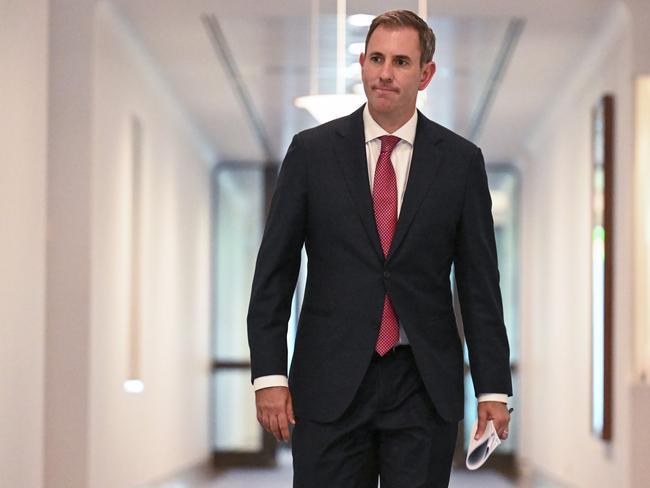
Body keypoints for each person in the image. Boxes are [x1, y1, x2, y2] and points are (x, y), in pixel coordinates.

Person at [247, 10, 512, 488]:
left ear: (425, 74)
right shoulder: (311, 153)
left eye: (401, 61)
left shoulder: (459, 163)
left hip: (422, 384)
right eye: (376, 58)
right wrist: (269, 375)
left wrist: (492, 387)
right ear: (363, 65)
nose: (385, 72)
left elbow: (479, 286)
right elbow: (274, 274)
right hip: (328, 381)